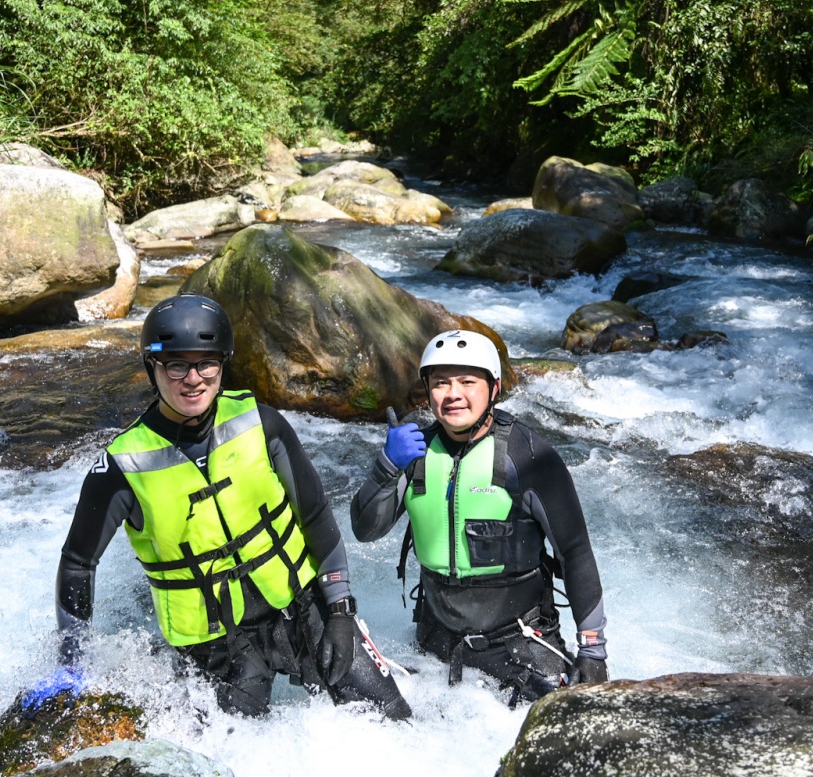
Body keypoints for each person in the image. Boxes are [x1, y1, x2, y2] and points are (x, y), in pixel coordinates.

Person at [49, 295, 410, 720]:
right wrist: (73, 662)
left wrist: (340, 612)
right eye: (176, 365)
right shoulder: (120, 465)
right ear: (153, 369)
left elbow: (316, 520)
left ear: (222, 365)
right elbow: (77, 563)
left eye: (207, 363)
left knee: (393, 719)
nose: (193, 379)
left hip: (301, 610)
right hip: (214, 647)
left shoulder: (263, 423)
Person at [350, 329, 609, 704]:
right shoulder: (413, 455)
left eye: (467, 382)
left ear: (494, 388)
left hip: (520, 647)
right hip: (436, 642)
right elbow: (364, 530)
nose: (453, 394)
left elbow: (575, 552)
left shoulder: (528, 456)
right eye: (440, 383)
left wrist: (592, 650)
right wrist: (386, 467)